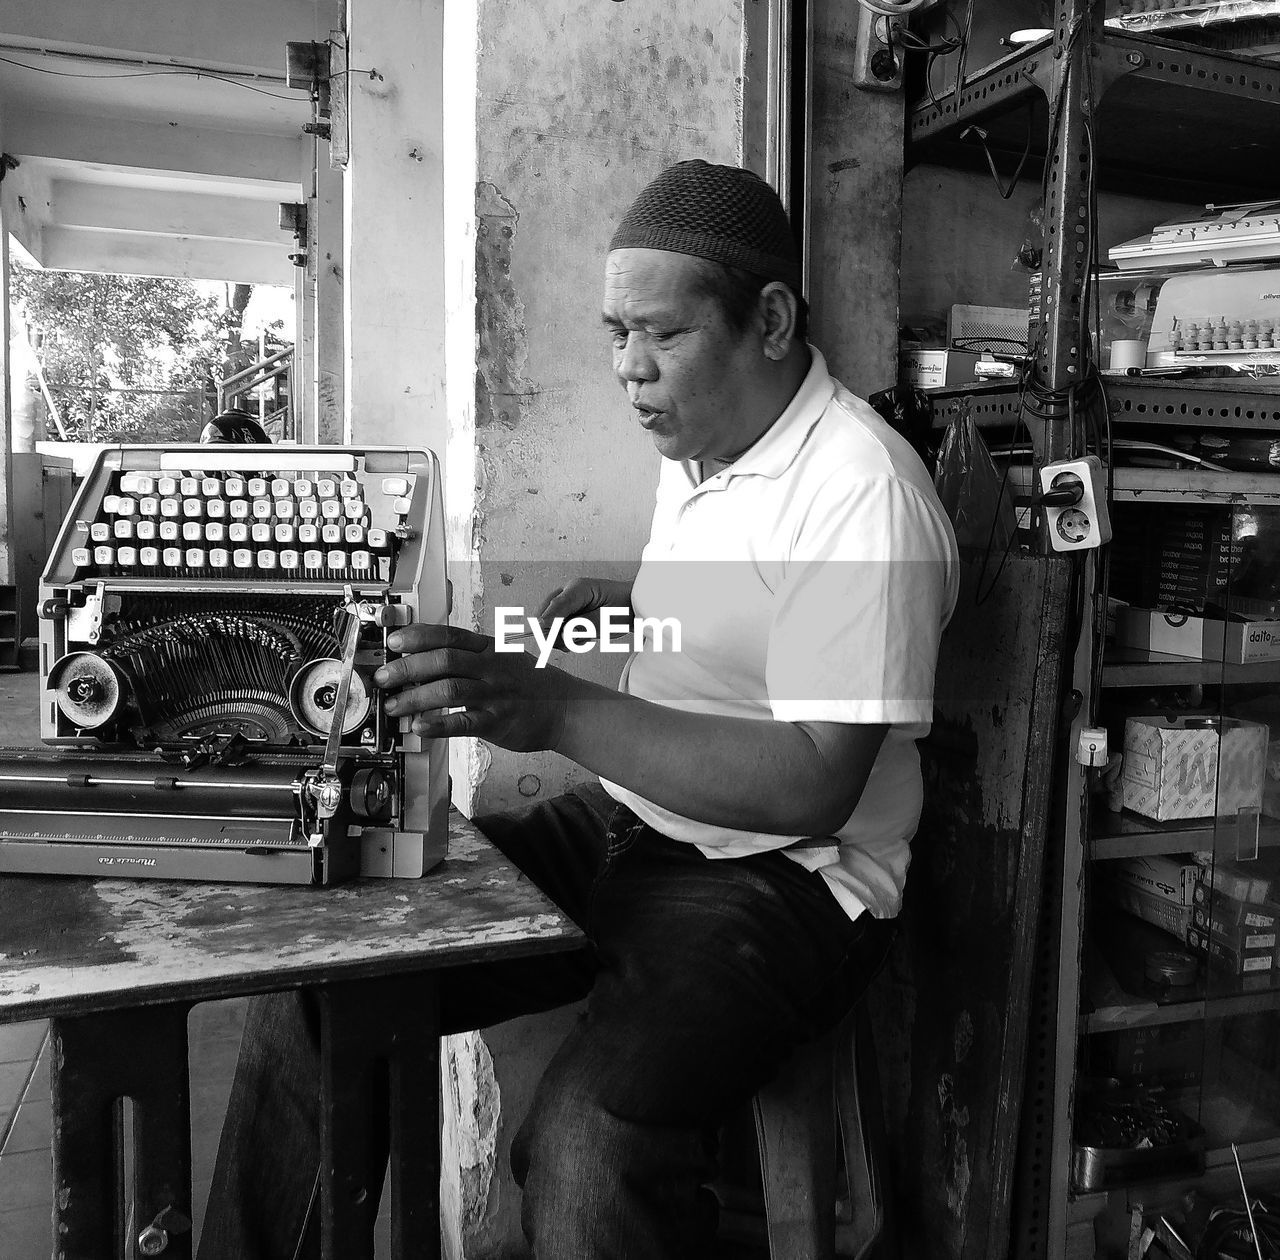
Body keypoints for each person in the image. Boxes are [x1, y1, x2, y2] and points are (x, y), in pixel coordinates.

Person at [198, 159, 959, 1260]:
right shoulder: (702, 447)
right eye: (613, 333)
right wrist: (626, 612)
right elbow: (741, 637)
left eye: (657, 335)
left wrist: (547, 709)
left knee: (584, 1145)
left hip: (787, 880)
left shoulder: (860, 495)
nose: (626, 370)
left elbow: (810, 777)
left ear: (773, 321)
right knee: (325, 985)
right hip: (632, 826)